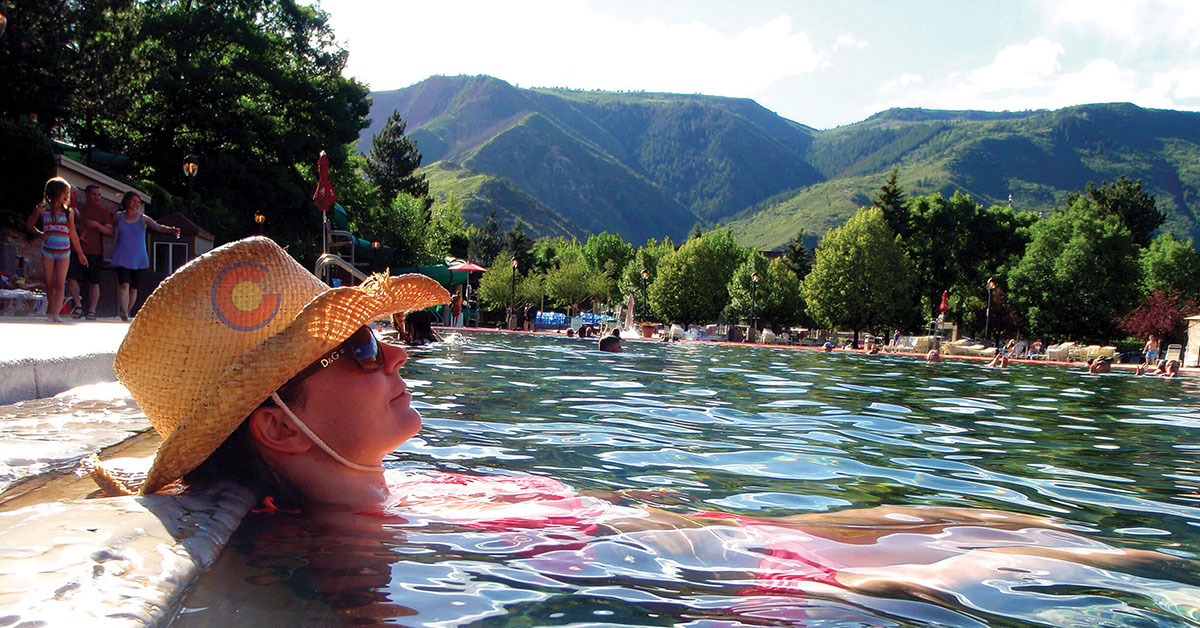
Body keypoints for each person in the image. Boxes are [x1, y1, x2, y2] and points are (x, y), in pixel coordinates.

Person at [90, 236, 1194, 618]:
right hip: (747, 578)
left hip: (735, 533)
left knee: (976, 515)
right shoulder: (361, 554)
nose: (399, 356)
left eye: (392, 338)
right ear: (279, 428)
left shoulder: (399, 495)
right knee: (1077, 571)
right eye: (364, 348)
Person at [110, 191, 180, 321]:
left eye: (138, 201)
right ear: (127, 201)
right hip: (122, 255)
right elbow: (112, 231)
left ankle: (128, 311)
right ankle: (124, 312)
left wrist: (171, 230)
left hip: (138, 258)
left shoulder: (143, 219)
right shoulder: (118, 217)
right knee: (124, 284)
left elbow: (158, 227)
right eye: (133, 200)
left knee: (133, 288)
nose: (136, 204)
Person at [25, 177, 87, 323]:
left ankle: (55, 314)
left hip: (64, 251)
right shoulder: (41, 209)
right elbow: (29, 224)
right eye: (64, 192)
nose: (67, 196)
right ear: (55, 192)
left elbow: (73, 233)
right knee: (50, 283)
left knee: (60, 283)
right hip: (48, 250)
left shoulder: (68, 213)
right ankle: (52, 308)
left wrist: (80, 253)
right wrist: (41, 234)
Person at [66, 185, 113, 319]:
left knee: (94, 282)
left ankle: (92, 310)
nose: (97, 197)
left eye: (99, 195)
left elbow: (110, 231)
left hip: (95, 251)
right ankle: (78, 306)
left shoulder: (103, 212)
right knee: (72, 278)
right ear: (86, 194)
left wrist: (97, 225)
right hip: (76, 249)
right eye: (94, 194)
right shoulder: (77, 209)